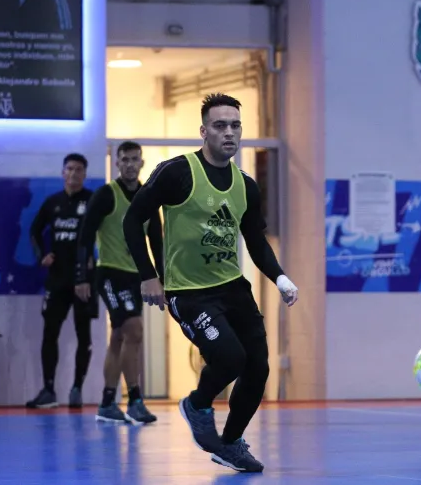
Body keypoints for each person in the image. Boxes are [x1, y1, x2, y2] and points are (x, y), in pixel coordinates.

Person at [123, 93, 299, 474]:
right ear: (204, 131)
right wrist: (148, 275)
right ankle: (197, 404)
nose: (229, 133)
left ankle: (231, 444)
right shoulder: (177, 172)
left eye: (235, 125)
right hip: (188, 292)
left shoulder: (245, 186)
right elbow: (132, 220)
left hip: (233, 288)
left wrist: (280, 277)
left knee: (258, 368)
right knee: (230, 358)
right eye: (220, 126)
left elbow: (254, 240)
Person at [75, 141, 162, 425]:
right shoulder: (105, 195)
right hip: (109, 273)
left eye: (134, 159)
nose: (129, 164)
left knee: (120, 337)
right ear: (116, 163)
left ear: (141, 163)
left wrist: (162, 279)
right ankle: (135, 400)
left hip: (135, 276)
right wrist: (82, 278)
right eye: (124, 159)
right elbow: (85, 237)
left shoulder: (149, 199)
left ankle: (107, 401)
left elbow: (157, 243)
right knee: (134, 330)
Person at [26, 153, 97, 409]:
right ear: (62, 172)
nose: (74, 174)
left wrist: (93, 261)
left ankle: (77, 388)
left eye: (79, 170)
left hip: (85, 281)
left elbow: (109, 232)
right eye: (69, 169)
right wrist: (41, 255)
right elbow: (34, 230)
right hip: (56, 280)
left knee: (84, 336)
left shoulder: (93, 201)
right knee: (49, 334)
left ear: (84, 174)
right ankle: (48, 390)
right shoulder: (52, 202)